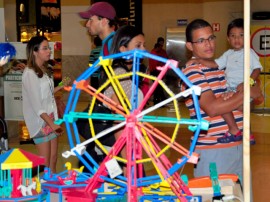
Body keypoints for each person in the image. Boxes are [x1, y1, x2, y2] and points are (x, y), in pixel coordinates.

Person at [181, 19, 261, 181]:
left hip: (239, 145)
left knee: (240, 196)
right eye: (201, 41)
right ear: (190, 46)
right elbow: (213, 108)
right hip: (213, 149)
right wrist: (247, 93)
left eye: (211, 38)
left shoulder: (221, 70)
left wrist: (246, 96)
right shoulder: (191, 71)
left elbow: (245, 106)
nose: (208, 44)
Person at [22, 36, 69, 173]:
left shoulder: (43, 69)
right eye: (45, 48)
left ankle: (53, 190)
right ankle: (44, 191)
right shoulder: (29, 74)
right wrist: (52, 124)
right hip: (40, 122)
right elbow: (37, 106)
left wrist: (60, 86)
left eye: (49, 47)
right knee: (45, 163)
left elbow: (47, 94)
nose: (49, 51)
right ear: (35, 51)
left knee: (54, 158)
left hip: (50, 117)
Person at [148, 40, 168, 104]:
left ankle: (158, 100)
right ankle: (161, 99)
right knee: (158, 86)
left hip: (157, 72)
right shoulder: (154, 53)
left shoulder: (159, 52)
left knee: (157, 86)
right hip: (155, 72)